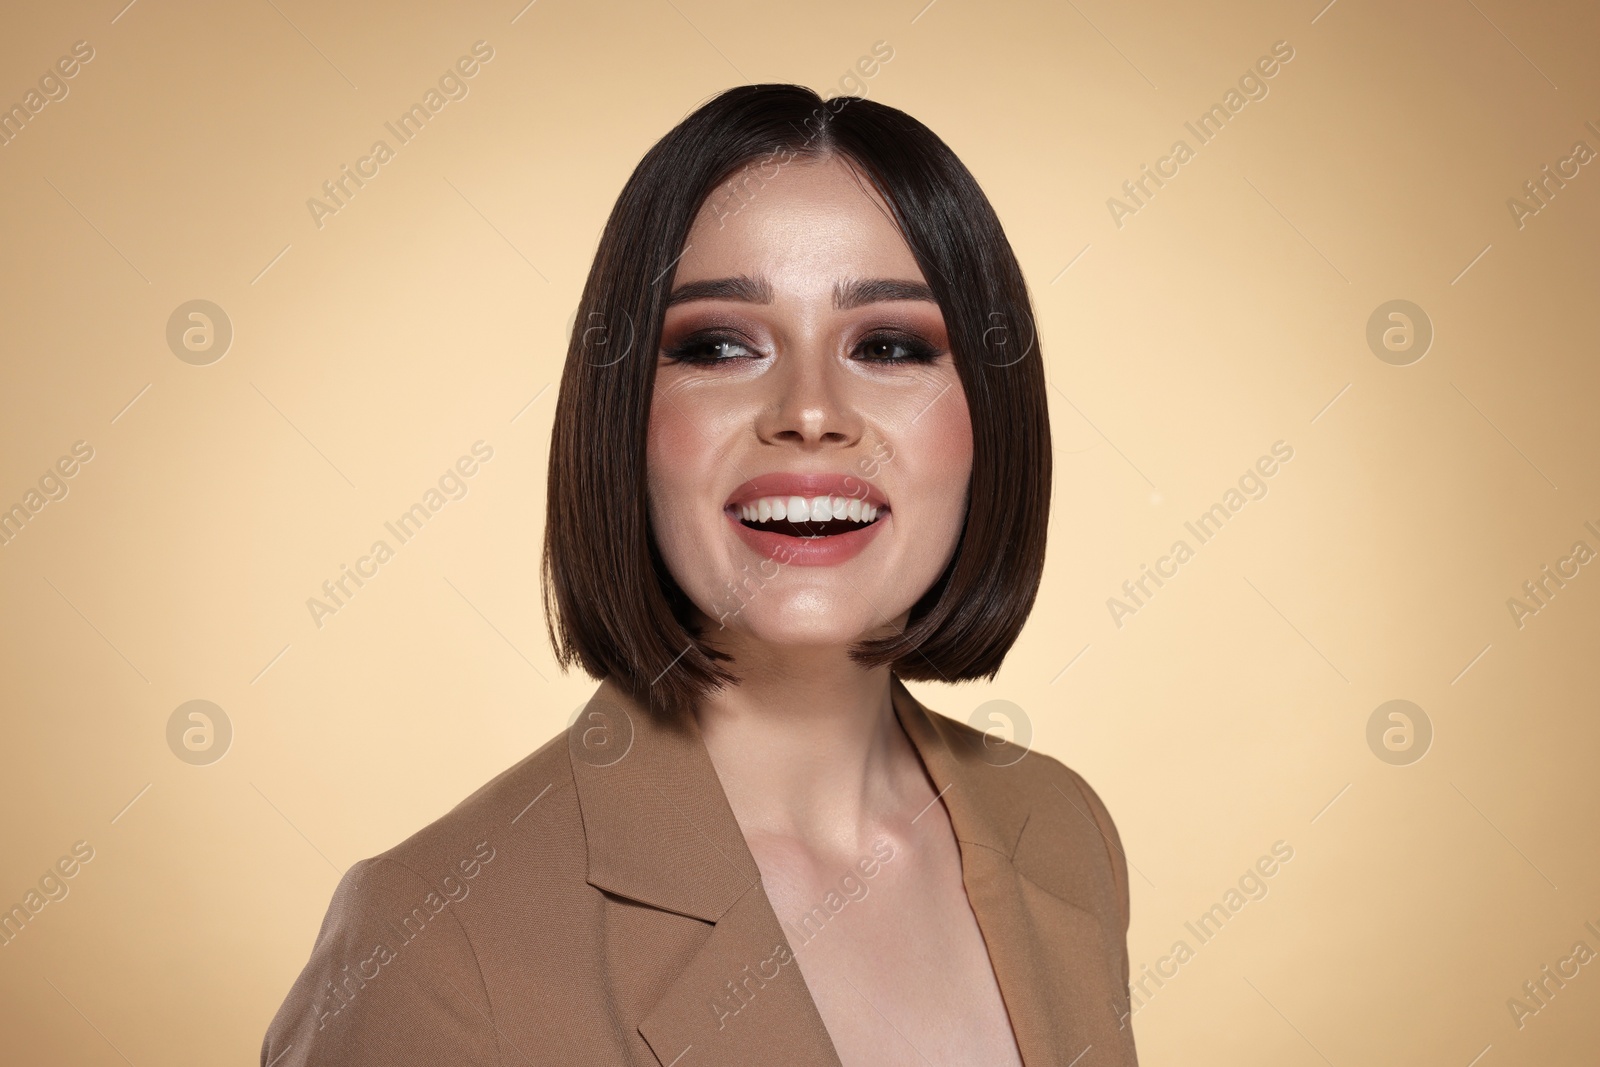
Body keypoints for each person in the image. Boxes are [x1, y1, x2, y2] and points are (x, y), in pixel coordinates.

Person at [261, 83, 1136, 1067]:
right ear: (625, 415)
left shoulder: (1062, 829)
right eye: (720, 345)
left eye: (888, 344)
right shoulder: (429, 940)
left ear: (989, 415)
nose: (809, 410)